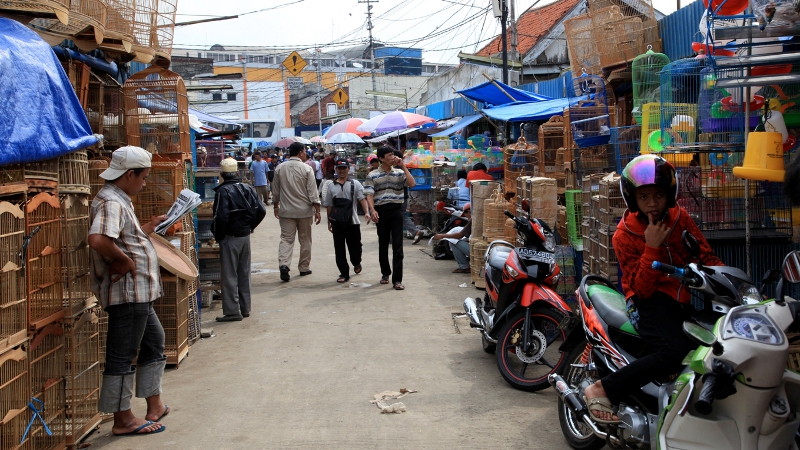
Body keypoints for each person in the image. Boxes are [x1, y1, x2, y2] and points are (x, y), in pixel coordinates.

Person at [582, 154, 724, 423]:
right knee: (675, 352)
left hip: (682, 298)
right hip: (644, 303)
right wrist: (651, 247)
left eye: (658, 195)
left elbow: (707, 257)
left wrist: (731, 283)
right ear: (632, 199)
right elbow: (642, 289)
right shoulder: (623, 235)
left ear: (669, 194)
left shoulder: (681, 219)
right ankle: (602, 388)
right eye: (644, 197)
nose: (652, 204)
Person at [88, 146, 169, 437]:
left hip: (139, 292)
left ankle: (154, 404)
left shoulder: (119, 200)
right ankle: (122, 419)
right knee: (122, 354)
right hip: (127, 292)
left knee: (154, 341)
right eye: (143, 177)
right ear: (130, 174)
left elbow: (123, 238)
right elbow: (98, 239)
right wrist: (124, 260)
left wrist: (149, 228)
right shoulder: (112, 202)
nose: (144, 183)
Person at [212, 158, 267, 322]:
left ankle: (232, 312)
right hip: (244, 237)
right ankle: (245, 308)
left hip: (230, 237)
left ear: (221, 174)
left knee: (229, 275)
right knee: (244, 273)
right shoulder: (247, 188)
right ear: (236, 173)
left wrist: (219, 236)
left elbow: (220, 217)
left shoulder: (223, 192)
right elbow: (261, 211)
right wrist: (249, 227)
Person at [364, 145, 416, 290]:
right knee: (383, 243)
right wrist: (372, 210)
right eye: (389, 156)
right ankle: (385, 273)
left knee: (398, 246)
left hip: (397, 210)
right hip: (381, 210)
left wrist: (403, 166)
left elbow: (412, 184)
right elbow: (369, 194)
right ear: (381, 159)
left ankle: (397, 280)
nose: (392, 157)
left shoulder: (399, 172)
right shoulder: (372, 175)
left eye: (393, 155)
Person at [272, 142, 321, 282]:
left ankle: (284, 265)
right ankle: (304, 267)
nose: (305, 154)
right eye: (305, 151)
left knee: (286, 239)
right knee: (305, 240)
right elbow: (313, 193)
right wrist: (317, 210)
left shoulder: (279, 168)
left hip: (286, 211)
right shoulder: (307, 169)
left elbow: (275, 191)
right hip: (304, 211)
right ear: (300, 152)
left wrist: (276, 206)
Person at [324, 159, 371, 283]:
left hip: (353, 222)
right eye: (339, 168)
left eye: (344, 168)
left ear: (348, 169)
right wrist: (329, 221)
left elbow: (362, 199)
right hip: (337, 223)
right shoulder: (331, 186)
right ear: (336, 170)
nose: (342, 171)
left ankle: (356, 262)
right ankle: (344, 273)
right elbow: (329, 205)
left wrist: (366, 212)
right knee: (339, 249)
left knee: (355, 246)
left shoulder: (355, 184)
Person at [433, 203, 472, 273]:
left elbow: (460, 235)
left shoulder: (472, 220)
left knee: (453, 241)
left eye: (467, 215)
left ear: (469, 212)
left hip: (477, 251)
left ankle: (464, 267)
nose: (468, 218)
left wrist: (442, 236)